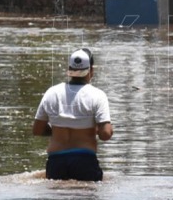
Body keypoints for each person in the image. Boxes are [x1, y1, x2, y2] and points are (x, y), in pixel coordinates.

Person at [32, 48, 113, 181]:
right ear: (91, 70)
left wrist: (58, 130)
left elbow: (37, 130)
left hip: (56, 163)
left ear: (69, 70)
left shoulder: (51, 93)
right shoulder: (97, 95)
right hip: (85, 162)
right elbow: (106, 134)